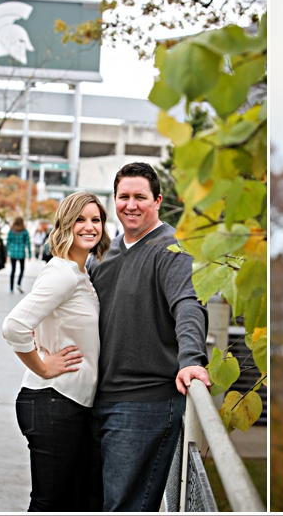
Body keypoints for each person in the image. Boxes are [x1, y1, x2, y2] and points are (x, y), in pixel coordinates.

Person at [86, 161, 210, 512]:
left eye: (140, 196)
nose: (131, 204)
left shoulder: (172, 250)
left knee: (125, 507)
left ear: (157, 201)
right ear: (114, 201)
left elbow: (189, 305)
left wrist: (191, 360)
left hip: (144, 404)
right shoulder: (102, 254)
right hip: (96, 398)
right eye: (124, 197)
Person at [2, 191, 111, 512]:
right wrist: (43, 366)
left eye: (96, 219)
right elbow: (14, 325)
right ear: (66, 223)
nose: (90, 226)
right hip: (52, 401)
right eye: (80, 219)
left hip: (68, 404)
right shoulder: (63, 273)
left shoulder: (80, 273)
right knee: (49, 504)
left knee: (69, 502)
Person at [7, 216, 32, 293]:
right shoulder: (24, 231)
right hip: (21, 253)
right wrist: (30, 253)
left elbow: (8, 242)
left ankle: (11, 288)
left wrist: (6, 253)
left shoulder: (11, 231)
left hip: (13, 253)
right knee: (22, 269)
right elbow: (28, 243)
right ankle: (18, 283)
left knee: (13, 270)